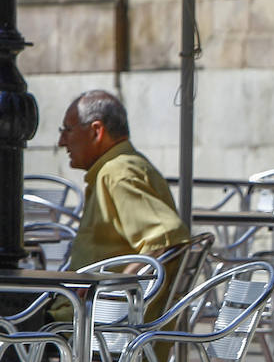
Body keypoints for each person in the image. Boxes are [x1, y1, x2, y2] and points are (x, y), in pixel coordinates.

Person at [54, 90, 190, 323]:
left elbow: (167, 238)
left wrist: (113, 295)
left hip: (90, 325)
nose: (61, 141)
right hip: (94, 321)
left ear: (97, 131)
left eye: (67, 129)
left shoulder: (117, 173)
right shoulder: (123, 167)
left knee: (10, 322)